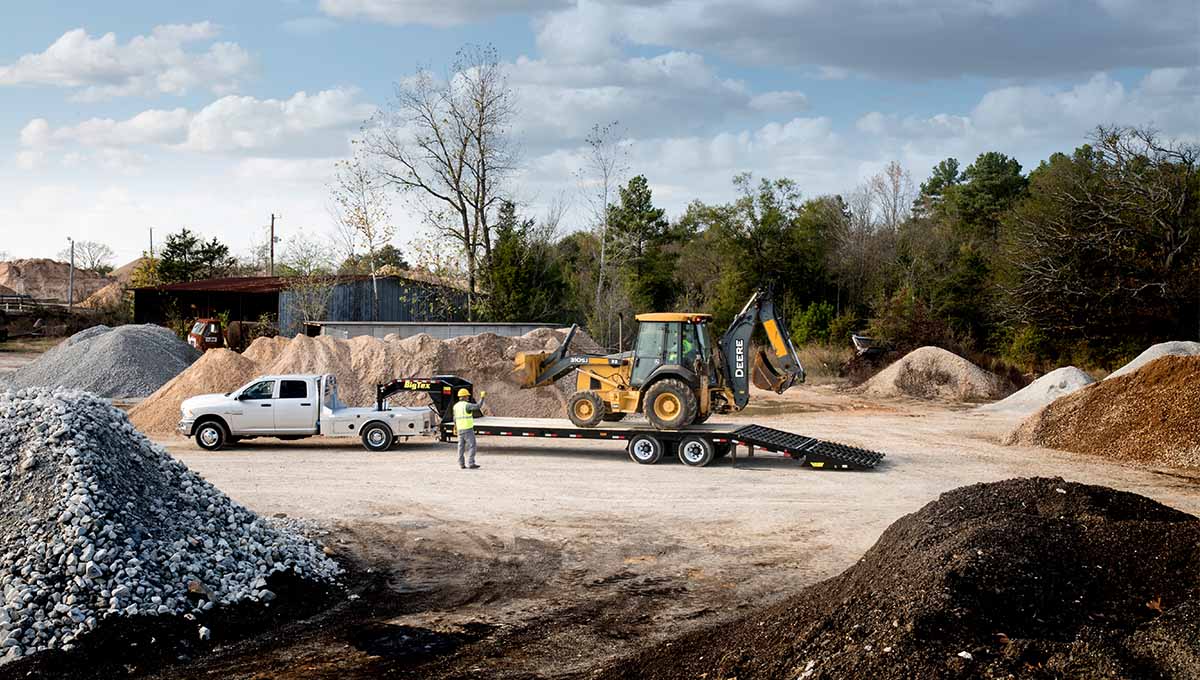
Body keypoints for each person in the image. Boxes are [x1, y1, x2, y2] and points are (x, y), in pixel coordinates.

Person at [453, 387, 486, 469]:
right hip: (467, 429)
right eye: (467, 396)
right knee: (472, 446)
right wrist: (482, 397)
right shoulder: (467, 405)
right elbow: (478, 406)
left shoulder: (455, 406)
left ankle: (461, 464)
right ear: (463, 397)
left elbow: (454, 418)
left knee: (461, 447)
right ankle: (471, 463)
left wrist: (455, 427)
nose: (468, 397)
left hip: (460, 429)